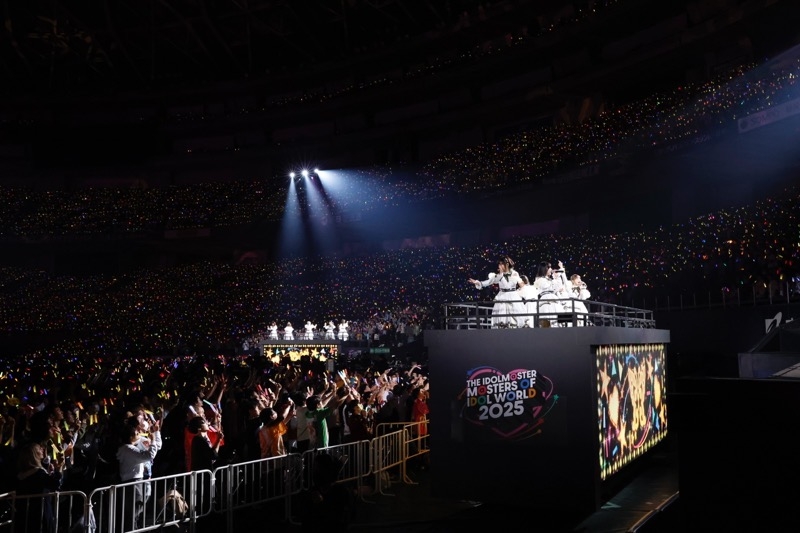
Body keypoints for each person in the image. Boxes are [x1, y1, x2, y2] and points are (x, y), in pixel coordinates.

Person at [14, 440, 64, 533]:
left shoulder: (20, 475)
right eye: (39, 449)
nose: (42, 450)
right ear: (33, 454)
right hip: (41, 514)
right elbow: (56, 484)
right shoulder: (38, 473)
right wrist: (59, 468)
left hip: (24, 515)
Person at [468, 256, 524, 328]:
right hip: (502, 296)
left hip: (513, 296)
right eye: (499, 264)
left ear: (507, 264)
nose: (499, 266)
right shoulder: (499, 276)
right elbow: (488, 282)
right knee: (502, 316)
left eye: (501, 264)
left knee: (515, 317)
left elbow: (520, 284)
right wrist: (477, 282)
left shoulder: (515, 273)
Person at [533, 262, 561, 327]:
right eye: (549, 267)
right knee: (546, 322)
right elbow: (548, 287)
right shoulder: (539, 279)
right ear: (544, 269)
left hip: (554, 301)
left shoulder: (550, 280)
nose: (551, 269)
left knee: (557, 322)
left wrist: (557, 277)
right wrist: (554, 280)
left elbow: (557, 287)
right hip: (545, 301)